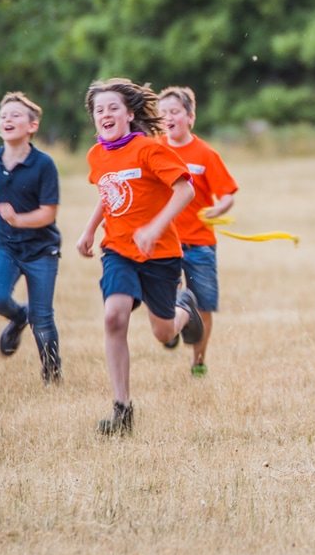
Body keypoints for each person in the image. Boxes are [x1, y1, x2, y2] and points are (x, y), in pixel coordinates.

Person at [76, 78, 203, 436]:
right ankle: (122, 408)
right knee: (114, 318)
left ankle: (184, 309)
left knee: (163, 334)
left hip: (160, 254)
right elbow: (109, 192)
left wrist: (155, 228)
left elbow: (185, 189)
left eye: (113, 107)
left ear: (130, 114)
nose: (105, 114)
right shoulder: (96, 155)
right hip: (118, 249)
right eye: (99, 110)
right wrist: (89, 230)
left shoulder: (149, 150)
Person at [0, 92, 63, 383]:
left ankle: (52, 375)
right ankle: (19, 316)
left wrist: (18, 219)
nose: (7, 119)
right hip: (6, 244)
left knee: (43, 317)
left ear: (32, 126)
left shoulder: (44, 165)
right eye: (3, 116)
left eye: (15, 115)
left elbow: (48, 213)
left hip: (42, 249)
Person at [158, 86, 239, 378]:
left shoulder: (205, 154)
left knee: (203, 305)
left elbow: (228, 193)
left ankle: (198, 361)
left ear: (190, 117)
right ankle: (172, 328)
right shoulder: (154, 150)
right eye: (163, 113)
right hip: (164, 244)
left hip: (200, 244)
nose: (168, 117)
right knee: (165, 300)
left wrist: (219, 209)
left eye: (175, 111)